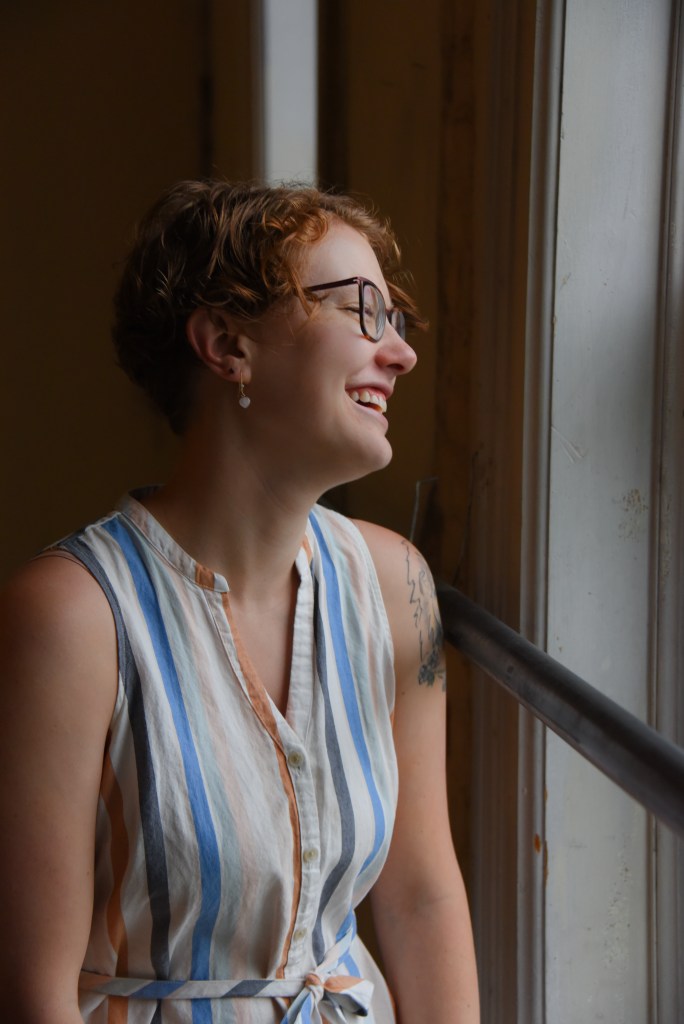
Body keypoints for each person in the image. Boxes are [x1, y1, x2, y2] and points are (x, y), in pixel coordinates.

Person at [0, 180, 479, 1023]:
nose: (399, 354)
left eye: (395, 319)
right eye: (360, 310)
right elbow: (33, 992)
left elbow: (421, 897)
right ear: (227, 345)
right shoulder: (72, 616)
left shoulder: (395, 586)